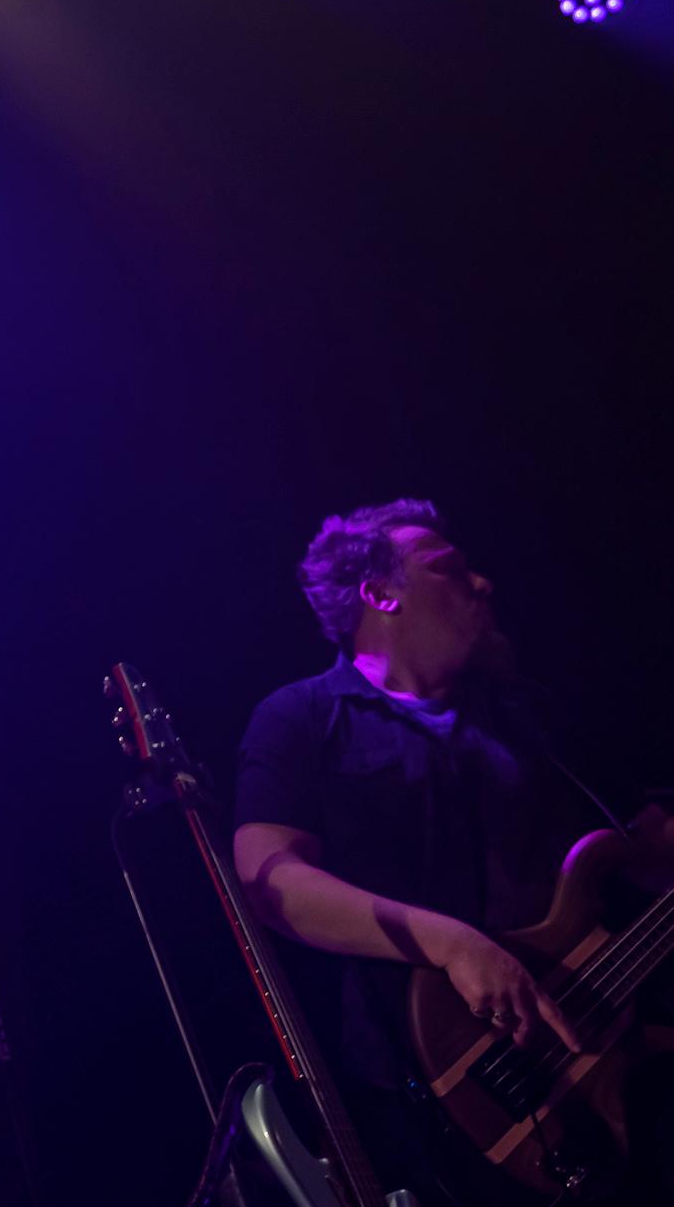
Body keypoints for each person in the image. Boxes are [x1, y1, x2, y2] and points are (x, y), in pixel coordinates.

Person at [232, 499, 674, 1204]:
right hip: (432, 1091)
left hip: (602, 1044)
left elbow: (637, 847)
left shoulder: (524, 709)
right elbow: (269, 879)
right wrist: (450, 943)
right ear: (380, 593)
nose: (482, 584)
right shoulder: (301, 717)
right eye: (449, 568)